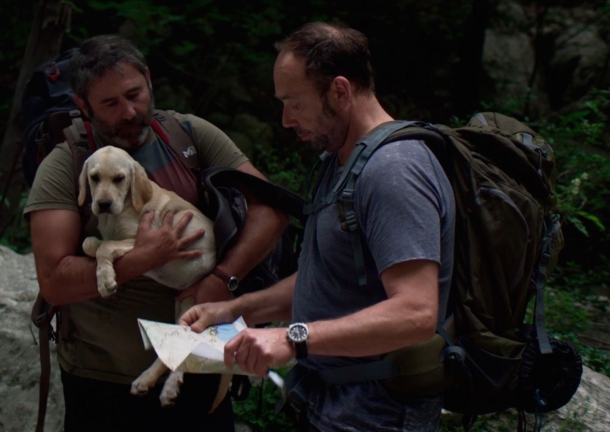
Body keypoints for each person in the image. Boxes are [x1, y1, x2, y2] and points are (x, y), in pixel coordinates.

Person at [179, 22, 455, 432]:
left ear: (340, 92)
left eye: (294, 103)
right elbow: (326, 277)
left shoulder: (394, 171)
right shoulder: (340, 161)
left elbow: (415, 313)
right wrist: (238, 309)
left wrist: (291, 339)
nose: (285, 120)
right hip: (329, 405)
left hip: (379, 416)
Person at [24, 35, 289, 432]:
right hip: (103, 383)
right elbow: (54, 282)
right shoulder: (68, 164)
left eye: (135, 94)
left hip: (198, 367)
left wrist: (222, 278)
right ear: (83, 105)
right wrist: (143, 257)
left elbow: (271, 208)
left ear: (149, 79)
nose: (129, 111)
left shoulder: (187, 135)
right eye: (110, 104)